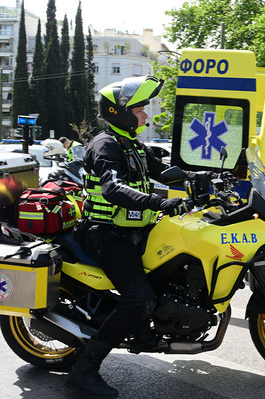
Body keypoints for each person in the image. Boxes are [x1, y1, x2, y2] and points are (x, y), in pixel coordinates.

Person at [66, 75, 202, 398]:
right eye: (140, 110)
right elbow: (113, 188)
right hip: (107, 235)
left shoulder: (132, 145)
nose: (145, 115)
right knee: (140, 300)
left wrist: (202, 178)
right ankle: (83, 371)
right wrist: (162, 203)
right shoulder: (105, 145)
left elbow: (163, 171)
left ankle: (146, 330)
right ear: (121, 112)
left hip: (133, 231)